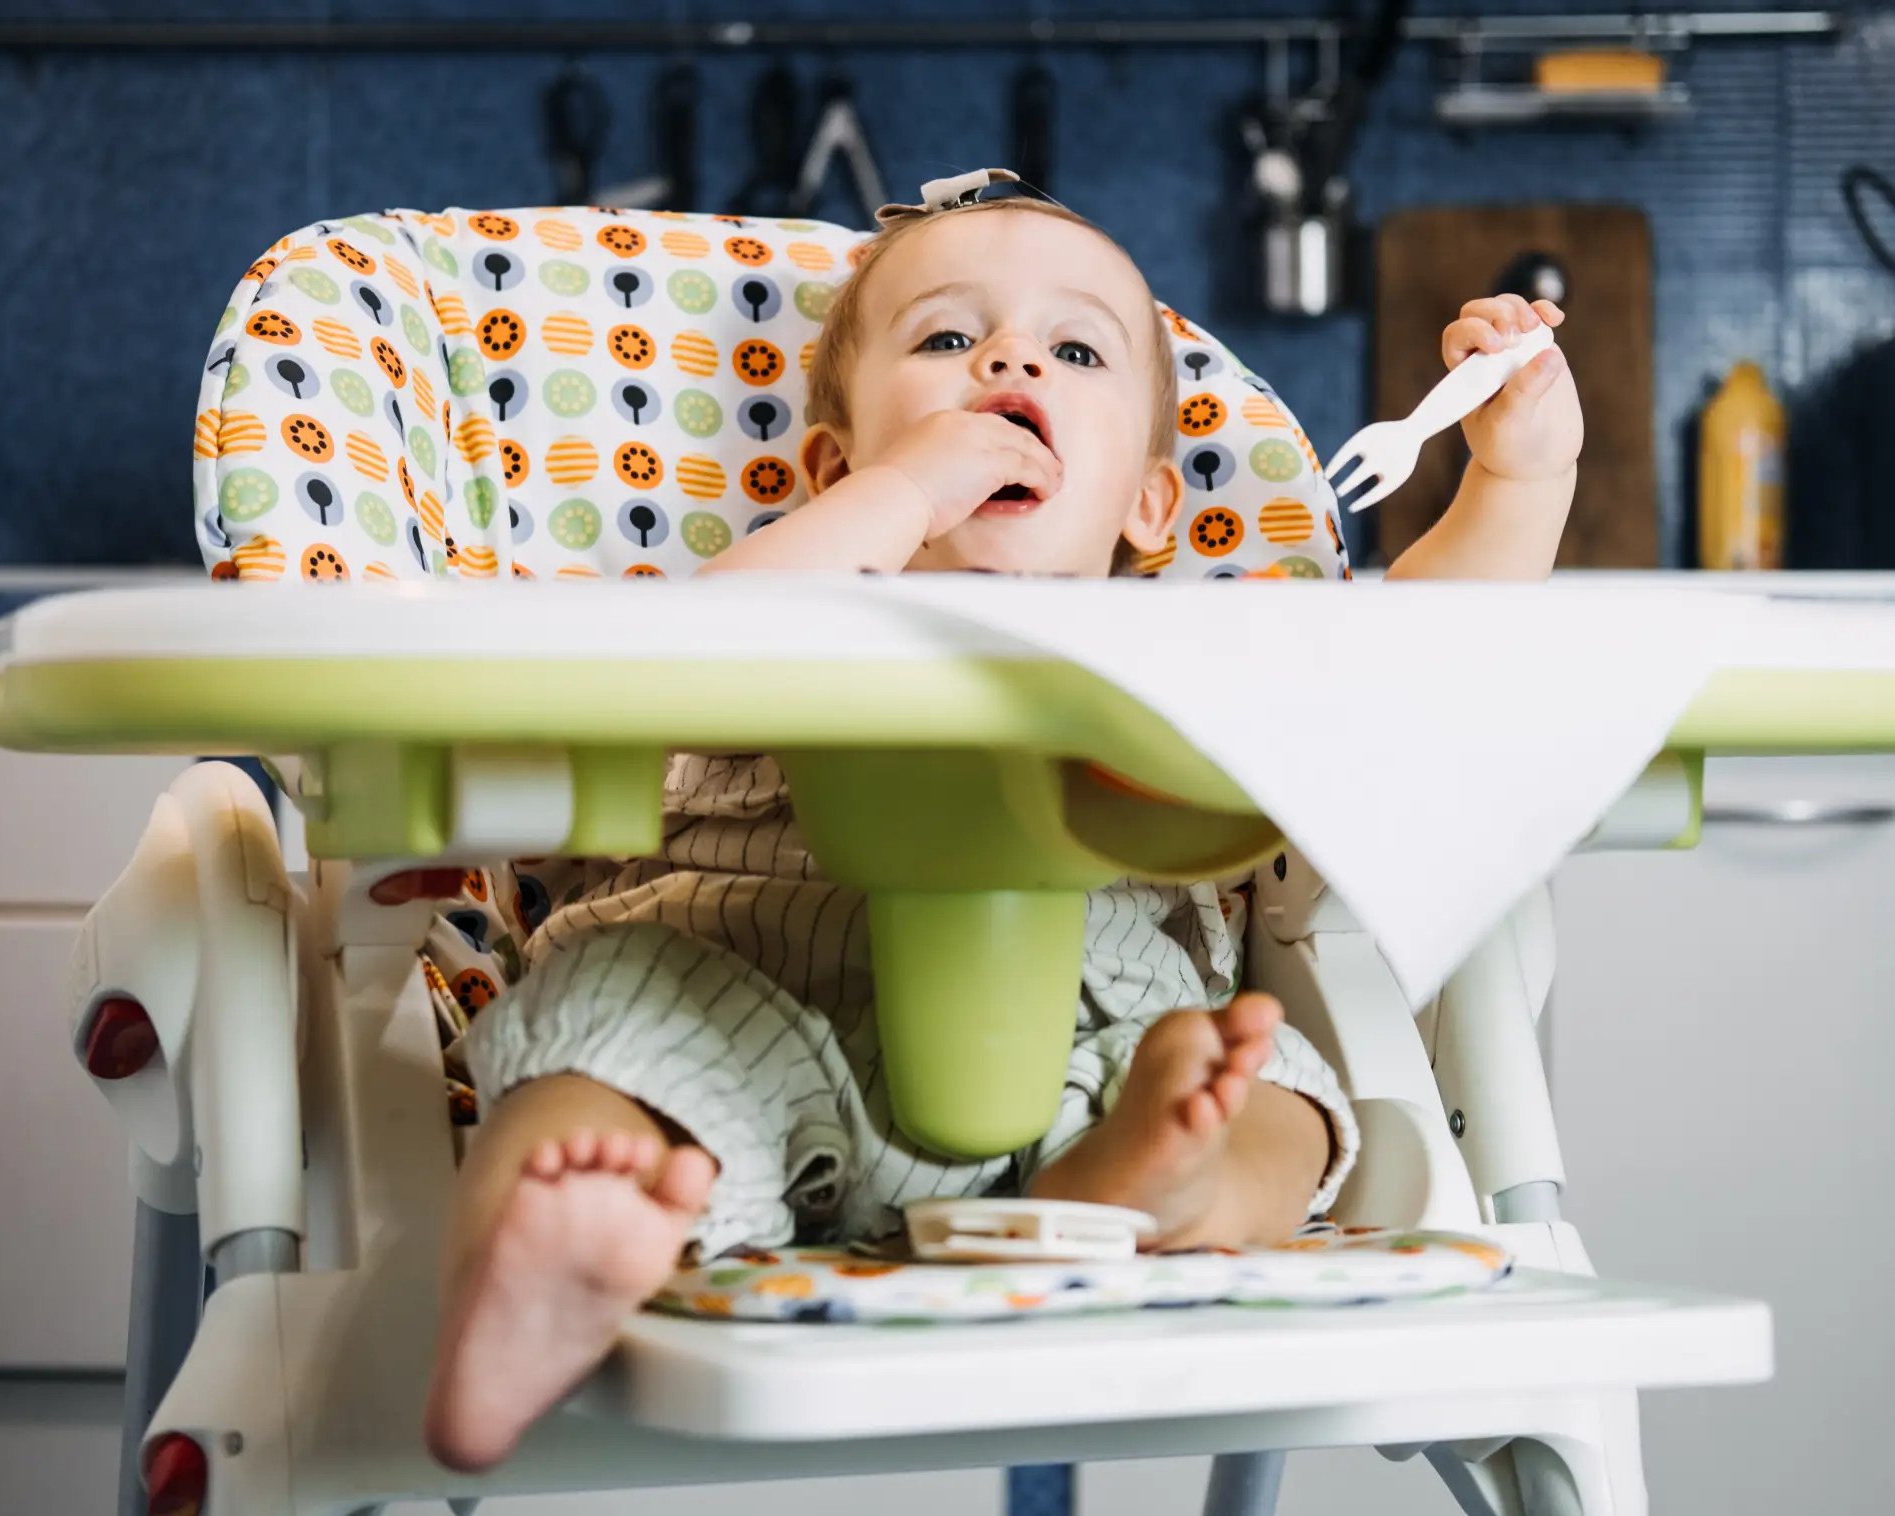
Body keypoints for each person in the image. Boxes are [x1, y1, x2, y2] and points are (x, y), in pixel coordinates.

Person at [421, 175, 1582, 1473]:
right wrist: (898, 501)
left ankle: (1165, 1190)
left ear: (1149, 505)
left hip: (1106, 1056)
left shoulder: (1186, 648)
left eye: (1074, 349)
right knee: (592, 1071)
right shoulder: (786, 604)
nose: (1011, 360)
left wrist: (1518, 479)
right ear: (829, 467)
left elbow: (1407, 667)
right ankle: (539, 1267)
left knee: (1275, 1098)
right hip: (731, 1013)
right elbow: (678, 658)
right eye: (944, 342)